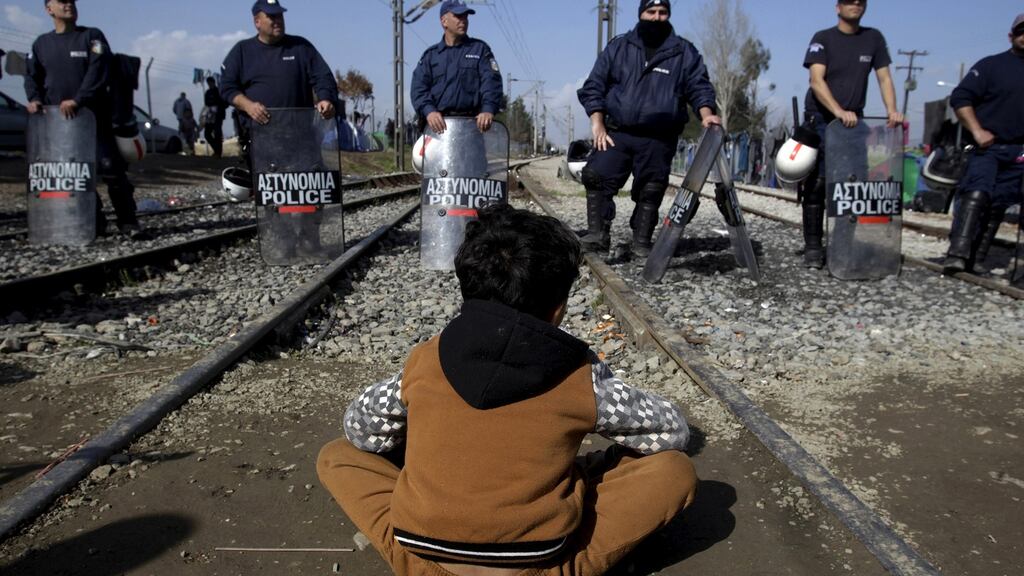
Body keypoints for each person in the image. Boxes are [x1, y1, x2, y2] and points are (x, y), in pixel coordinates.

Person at [318, 203, 696, 576]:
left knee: (337, 455)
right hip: (541, 565)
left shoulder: (427, 357)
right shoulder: (580, 372)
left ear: (466, 289)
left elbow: (360, 429)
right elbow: (671, 431)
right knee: (673, 470)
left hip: (422, 560)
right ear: (558, 309)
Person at [577, 0, 720, 256]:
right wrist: (597, 123)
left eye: (662, 12)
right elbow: (594, 85)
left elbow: (699, 87)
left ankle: (642, 241)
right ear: (641, 13)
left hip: (659, 137)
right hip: (617, 132)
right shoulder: (619, 47)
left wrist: (707, 114)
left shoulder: (684, 52)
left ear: (669, 15)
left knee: (651, 189)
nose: (656, 17)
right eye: (650, 11)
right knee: (596, 175)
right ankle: (598, 234)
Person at [220, 0, 337, 258]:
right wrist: (248, 105)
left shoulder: (301, 47)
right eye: (270, 17)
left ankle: (310, 241)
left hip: (302, 135)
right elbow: (227, 88)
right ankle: (283, 243)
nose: (277, 21)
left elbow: (323, 77)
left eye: (280, 16)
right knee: (274, 193)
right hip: (265, 138)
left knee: (311, 187)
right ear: (256, 21)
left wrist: (326, 98)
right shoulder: (242, 52)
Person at [25, 0, 145, 238]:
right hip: (60, 124)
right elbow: (32, 76)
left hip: (94, 118)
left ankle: (128, 221)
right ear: (49, 9)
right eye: (62, 2)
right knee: (77, 175)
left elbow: (99, 70)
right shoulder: (41, 44)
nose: (69, 5)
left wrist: (79, 99)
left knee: (111, 169)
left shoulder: (92, 37)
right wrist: (34, 99)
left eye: (72, 1)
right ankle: (94, 223)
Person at [797, 0, 903, 268]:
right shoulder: (823, 39)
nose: (855, 4)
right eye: (848, 0)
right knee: (818, 184)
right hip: (821, 119)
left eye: (860, 1)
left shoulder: (873, 38)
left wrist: (893, 111)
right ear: (837, 7)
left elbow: (884, 78)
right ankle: (813, 249)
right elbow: (816, 81)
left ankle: (842, 249)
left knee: (851, 187)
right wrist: (838, 110)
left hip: (854, 122)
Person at [942, 13, 1024, 275]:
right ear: (1011, 36)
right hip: (987, 147)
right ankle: (957, 254)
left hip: (1018, 151)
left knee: (998, 204)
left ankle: (977, 257)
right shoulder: (991, 66)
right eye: (1021, 31)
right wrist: (977, 130)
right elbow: (961, 98)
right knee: (977, 194)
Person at [410, 0, 503, 134]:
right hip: (438, 130)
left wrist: (488, 109)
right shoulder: (431, 56)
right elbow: (419, 88)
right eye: (458, 16)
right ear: (444, 21)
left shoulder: (480, 50)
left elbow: (491, 82)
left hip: (471, 128)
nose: (463, 20)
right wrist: (429, 111)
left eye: (465, 16)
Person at [202, 77, 225, 158]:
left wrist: (218, 106)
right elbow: (206, 104)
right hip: (210, 115)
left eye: (210, 82)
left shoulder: (219, 91)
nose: (209, 84)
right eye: (208, 83)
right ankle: (216, 149)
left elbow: (225, 102)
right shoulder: (207, 92)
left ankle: (218, 153)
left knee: (217, 133)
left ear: (213, 82)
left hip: (218, 115)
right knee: (207, 134)